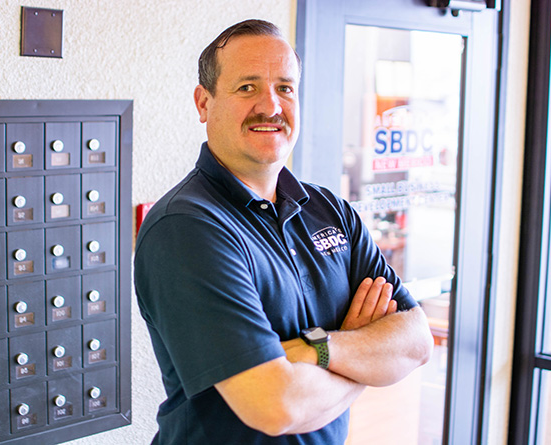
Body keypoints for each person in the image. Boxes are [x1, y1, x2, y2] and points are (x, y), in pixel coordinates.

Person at [134, 18, 434, 445]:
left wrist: (317, 350)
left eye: (285, 88)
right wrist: (361, 354)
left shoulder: (330, 210)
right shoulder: (187, 228)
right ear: (204, 103)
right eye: (247, 87)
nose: (271, 106)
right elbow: (277, 406)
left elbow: (417, 342)